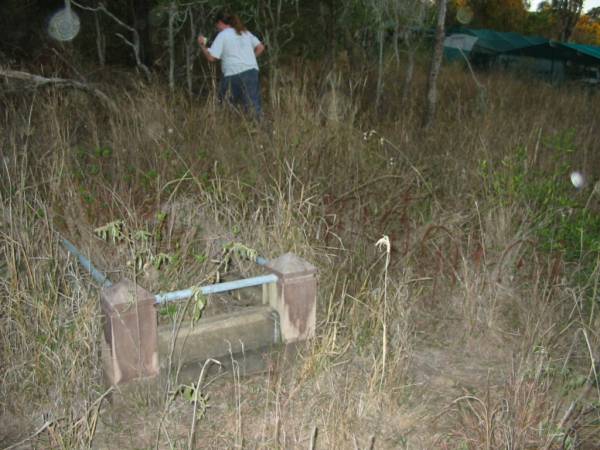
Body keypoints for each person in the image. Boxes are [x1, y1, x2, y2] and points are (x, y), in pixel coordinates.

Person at [198, 11, 265, 116]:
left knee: (226, 106)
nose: (217, 28)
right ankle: (258, 128)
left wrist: (202, 45)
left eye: (217, 25)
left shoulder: (223, 35)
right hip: (251, 72)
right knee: (253, 106)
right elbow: (260, 47)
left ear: (220, 23)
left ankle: (232, 127)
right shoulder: (245, 32)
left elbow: (211, 58)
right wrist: (250, 58)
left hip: (233, 74)